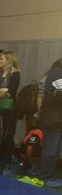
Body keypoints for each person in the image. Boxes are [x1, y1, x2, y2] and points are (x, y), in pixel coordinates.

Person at [0, 51, 21, 174]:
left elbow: (10, 92)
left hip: (8, 110)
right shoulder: (0, 74)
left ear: (9, 60)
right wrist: (1, 90)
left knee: (7, 135)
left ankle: (6, 163)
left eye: (2, 59)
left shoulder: (15, 74)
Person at [38, 59, 62, 188]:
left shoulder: (55, 72)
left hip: (55, 117)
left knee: (55, 148)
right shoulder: (57, 72)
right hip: (53, 118)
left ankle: (49, 174)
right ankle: (46, 175)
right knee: (51, 148)